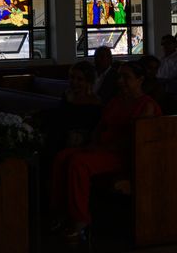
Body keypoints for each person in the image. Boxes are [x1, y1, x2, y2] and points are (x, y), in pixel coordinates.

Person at [50, 62, 161, 241]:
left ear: (140, 80)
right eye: (119, 77)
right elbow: (100, 126)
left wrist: (102, 148)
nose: (121, 81)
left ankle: (81, 221)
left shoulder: (146, 105)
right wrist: (93, 143)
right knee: (62, 157)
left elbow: (137, 138)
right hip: (103, 149)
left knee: (78, 163)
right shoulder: (116, 101)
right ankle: (61, 213)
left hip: (123, 155)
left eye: (127, 77)